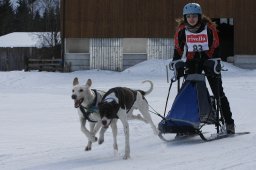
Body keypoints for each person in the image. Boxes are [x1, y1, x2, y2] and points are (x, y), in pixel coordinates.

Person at [172, 3, 235, 134]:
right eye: (188, 16)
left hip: (209, 61)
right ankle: (187, 123)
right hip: (192, 62)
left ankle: (229, 123)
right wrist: (177, 63)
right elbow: (178, 49)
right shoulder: (182, 30)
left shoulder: (209, 28)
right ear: (185, 17)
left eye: (194, 16)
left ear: (199, 16)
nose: (191, 19)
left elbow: (216, 47)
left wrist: (214, 61)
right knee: (189, 92)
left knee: (218, 92)